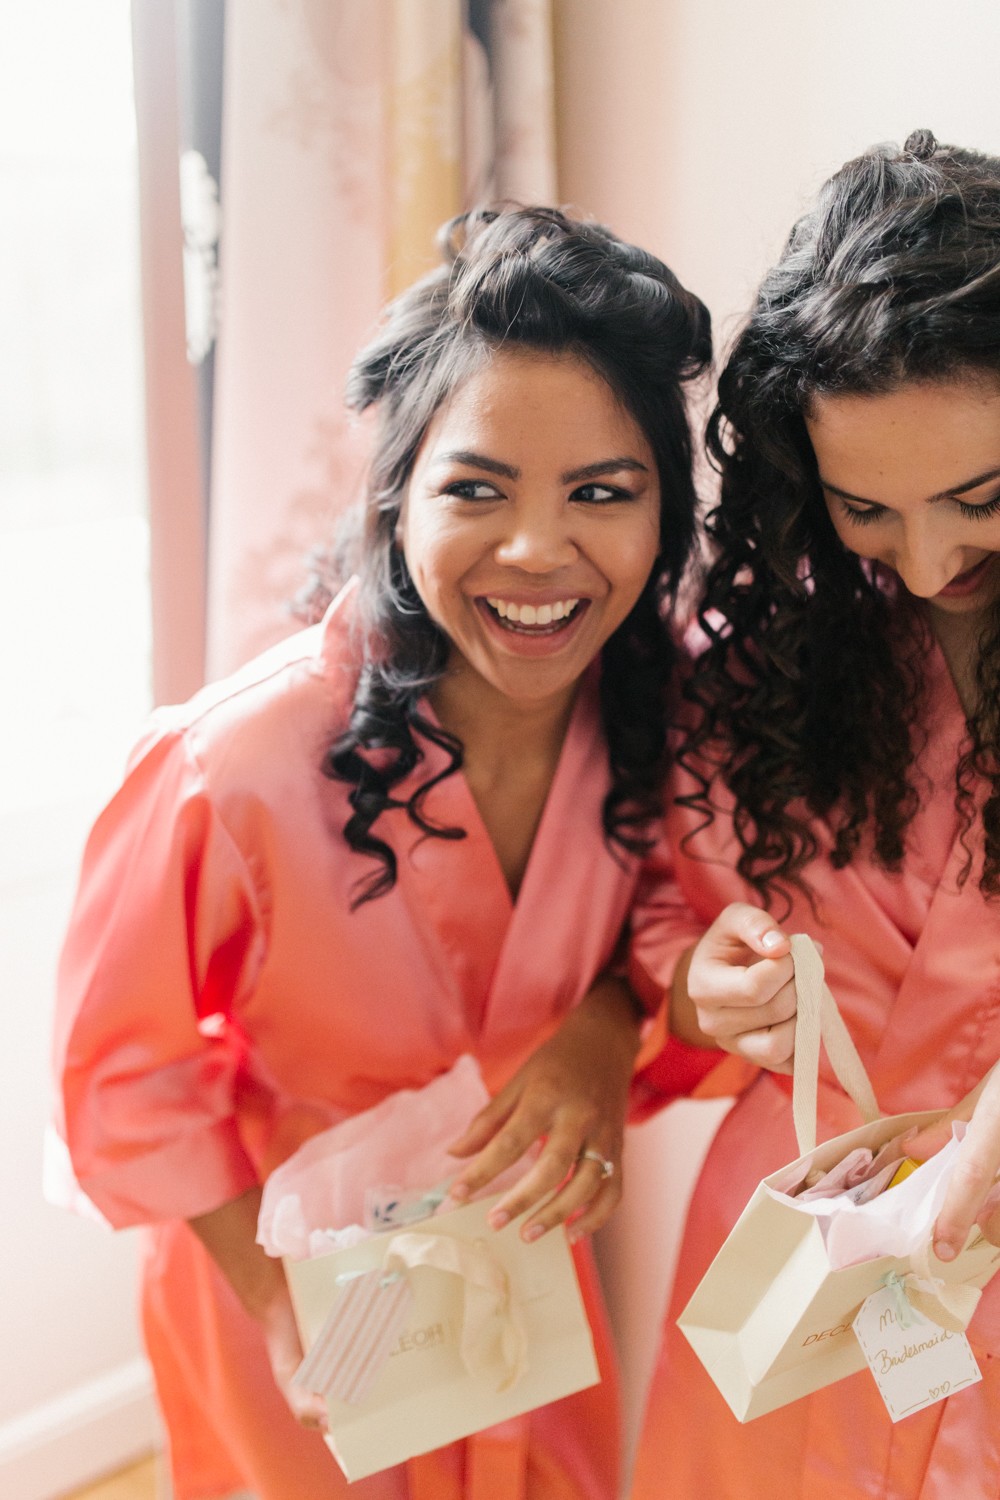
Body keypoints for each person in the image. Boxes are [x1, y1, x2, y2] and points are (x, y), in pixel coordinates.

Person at [49, 205, 713, 1500]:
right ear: (397, 494)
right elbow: (124, 1075)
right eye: (478, 489)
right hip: (293, 1287)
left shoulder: (667, 721)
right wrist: (279, 1298)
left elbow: (676, 932)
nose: (538, 550)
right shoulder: (232, 764)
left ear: (665, 514)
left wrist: (599, 1027)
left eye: (601, 493)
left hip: (522, 1272)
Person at [629, 131, 1000, 1498]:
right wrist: (700, 982)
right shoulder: (752, 659)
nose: (930, 559)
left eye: (981, 500)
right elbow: (653, 913)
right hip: (798, 1244)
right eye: (867, 510)